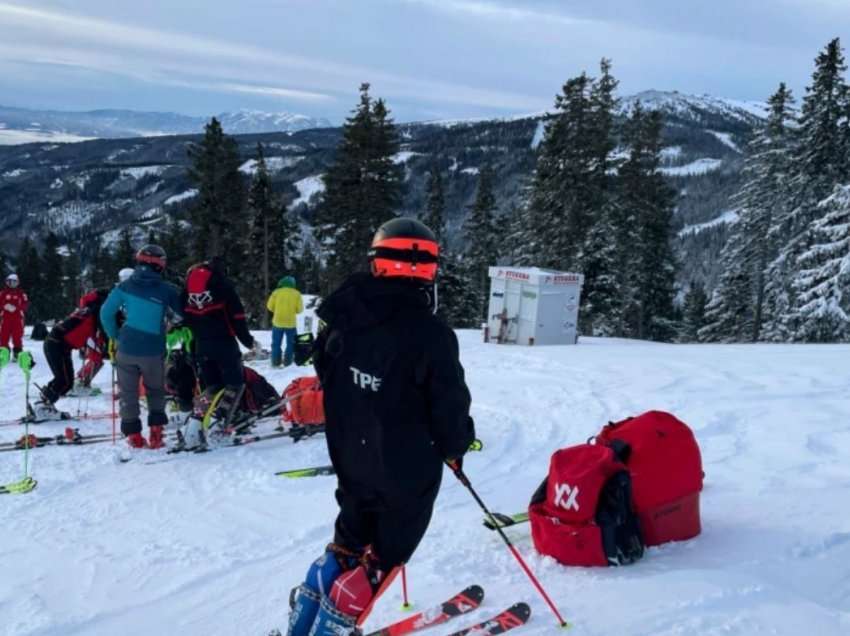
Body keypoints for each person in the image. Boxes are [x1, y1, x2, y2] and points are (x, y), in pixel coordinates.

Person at [285, 218, 475, 636]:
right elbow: (449, 404)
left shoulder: (346, 310)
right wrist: (456, 446)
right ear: (428, 270)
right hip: (405, 467)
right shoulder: (430, 333)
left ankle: (314, 603)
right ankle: (336, 619)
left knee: (349, 539)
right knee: (386, 553)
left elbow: (325, 365)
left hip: (353, 455)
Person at [100, 245, 182, 449]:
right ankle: (156, 433)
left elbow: (105, 313)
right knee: (155, 390)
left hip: (126, 347)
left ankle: (134, 436)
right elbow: (181, 315)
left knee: (128, 393)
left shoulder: (124, 287)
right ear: (159, 265)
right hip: (153, 349)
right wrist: (168, 324)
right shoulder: (166, 290)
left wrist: (115, 335)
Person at [181, 256, 262, 436]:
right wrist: (249, 342)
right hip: (224, 343)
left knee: (213, 386)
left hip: (200, 344)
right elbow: (237, 318)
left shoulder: (187, 290)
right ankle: (221, 418)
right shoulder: (223, 286)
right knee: (235, 384)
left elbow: (185, 318)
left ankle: (196, 420)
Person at [31, 289, 109, 421]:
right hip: (57, 344)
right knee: (64, 381)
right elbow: (95, 341)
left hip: (59, 344)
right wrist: (105, 352)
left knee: (66, 381)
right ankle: (43, 407)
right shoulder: (94, 316)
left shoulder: (88, 310)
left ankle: (44, 403)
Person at [74, 268, 136, 394]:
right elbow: (85, 301)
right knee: (97, 358)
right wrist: (88, 314)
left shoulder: (130, 295)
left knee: (121, 358)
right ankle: (80, 383)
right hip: (95, 330)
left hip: (112, 330)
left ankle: (125, 386)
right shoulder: (108, 293)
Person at [266, 276, 303, 367]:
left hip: (277, 322)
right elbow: (300, 310)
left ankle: (275, 362)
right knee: (290, 344)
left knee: (276, 344)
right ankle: (288, 363)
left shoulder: (276, 292)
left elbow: (269, 307)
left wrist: (278, 309)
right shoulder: (297, 294)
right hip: (291, 324)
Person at [0, 273, 28, 360]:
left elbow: (25, 304)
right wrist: (4, 306)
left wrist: (16, 308)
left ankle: (17, 353)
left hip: (17, 319)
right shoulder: (3, 293)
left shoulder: (21, 293)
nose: (12, 284)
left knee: (17, 337)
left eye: (14, 282)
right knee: (4, 336)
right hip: (5, 318)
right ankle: (5, 354)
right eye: (10, 282)